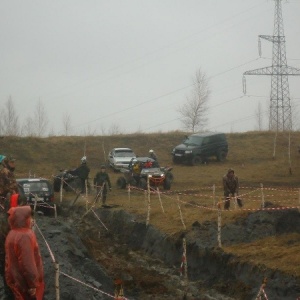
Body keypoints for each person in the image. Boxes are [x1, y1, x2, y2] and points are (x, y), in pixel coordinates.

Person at [5, 205, 45, 300]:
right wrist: (32, 284)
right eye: (29, 218)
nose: (32, 220)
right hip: (25, 283)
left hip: (15, 278)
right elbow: (27, 263)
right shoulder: (25, 236)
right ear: (23, 219)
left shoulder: (12, 233)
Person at [0, 155, 20, 299]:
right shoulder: (5, 173)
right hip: (4, 207)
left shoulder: (7, 172)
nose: (13, 164)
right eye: (11, 162)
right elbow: (12, 189)